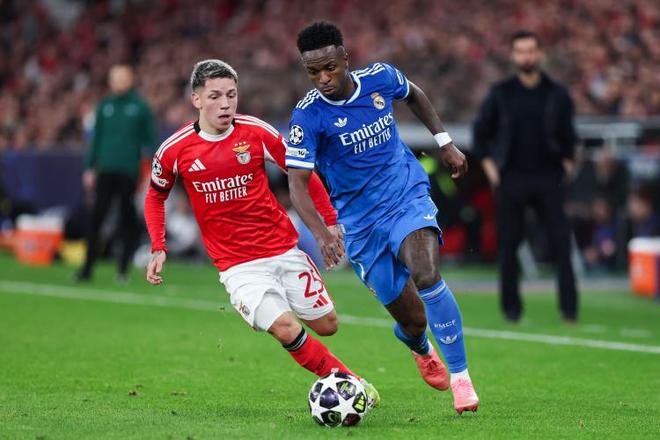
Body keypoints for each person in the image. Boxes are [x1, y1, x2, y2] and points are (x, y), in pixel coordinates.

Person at [143, 59, 379, 406]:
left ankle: (330, 365)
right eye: (215, 96)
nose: (225, 103)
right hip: (237, 266)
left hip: (283, 249)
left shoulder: (256, 132)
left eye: (231, 95)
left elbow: (302, 174)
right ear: (196, 99)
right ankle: (352, 383)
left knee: (328, 325)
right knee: (286, 328)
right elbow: (155, 196)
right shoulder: (174, 150)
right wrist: (158, 245)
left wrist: (330, 221)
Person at [286, 22, 479, 414]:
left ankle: (462, 379)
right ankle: (420, 347)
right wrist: (322, 233)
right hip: (361, 225)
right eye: (313, 72)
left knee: (426, 273)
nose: (323, 79)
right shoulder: (307, 117)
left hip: (406, 195)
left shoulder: (380, 78)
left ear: (345, 59)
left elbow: (415, 95)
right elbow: (297, 183)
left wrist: (444, 142)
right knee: (414, 320)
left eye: (329, 68)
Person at [472, 30, 579, 323]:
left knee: (561, 242)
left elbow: (569, 136)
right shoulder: (501, 93)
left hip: (548, 176)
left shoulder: (556, 93)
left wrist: (568, 163)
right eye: (520, 51)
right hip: (511, 178)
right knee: (508, 245)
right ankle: (511, 311)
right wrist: (492, 170)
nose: (526, 57)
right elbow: (480, 134)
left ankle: (569, 311)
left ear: (540, 53)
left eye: (531, 50)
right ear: (513, 55)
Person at [76, 64, 156, 282]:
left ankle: (122, 269)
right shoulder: (104, 106)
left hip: (129, 171)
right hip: (105, 170)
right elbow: (96, 140)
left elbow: (150, 140)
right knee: (96, 218)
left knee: (126, 220)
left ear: (130, 80)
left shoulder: (140, 108)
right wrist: (89, 167)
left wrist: (153, 168)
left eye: (122, 77)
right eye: (114, 78)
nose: (118, 82)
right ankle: (87, 268)